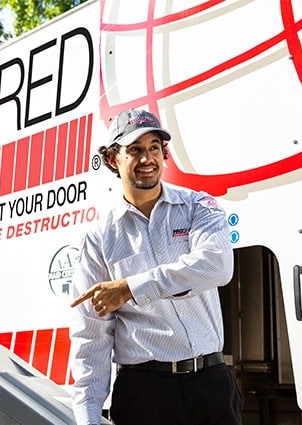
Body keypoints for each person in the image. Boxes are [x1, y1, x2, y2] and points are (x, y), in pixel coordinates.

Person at [69, 108, 243, 425]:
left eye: (154, 148)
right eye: (135, 149)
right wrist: (88, 418)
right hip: (145, 395)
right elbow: (91, 339)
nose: (147, 158)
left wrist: (130, 288)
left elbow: (217, 266)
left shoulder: (197, 207)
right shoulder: (100, 239)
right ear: (112, 159)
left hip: (211, 385)